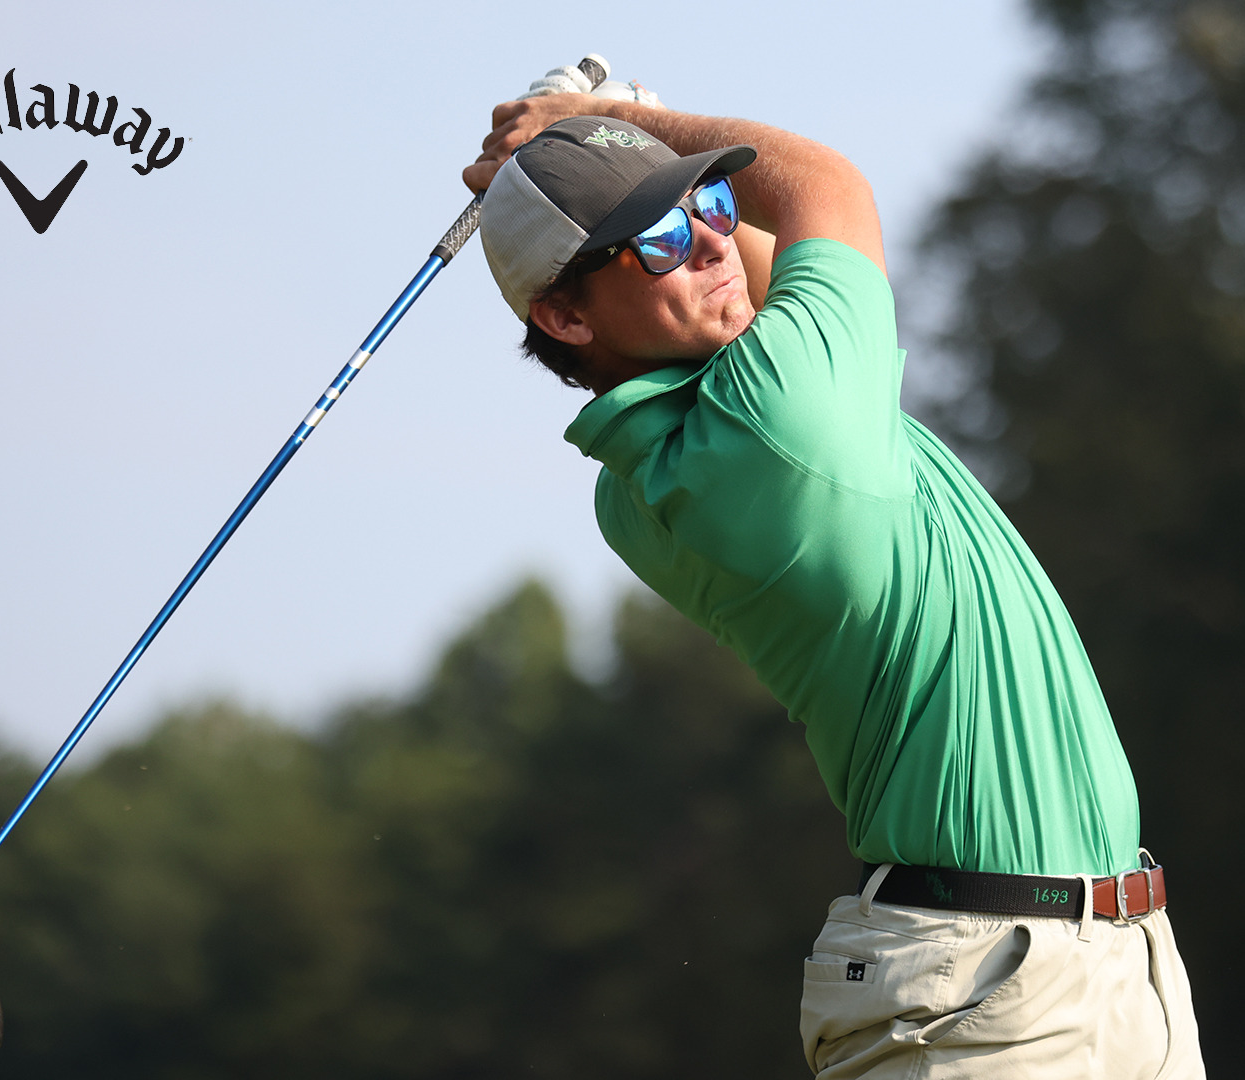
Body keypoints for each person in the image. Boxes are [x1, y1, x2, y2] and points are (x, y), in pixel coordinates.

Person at [462, 92, 1205, 1079]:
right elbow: (824, 191)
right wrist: (613, 113)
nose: (712, 244)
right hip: (990, 991)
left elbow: (757, 258)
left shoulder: (667, 464)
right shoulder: (775, 423)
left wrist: (609, 150)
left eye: (710, 208)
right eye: (656, 240)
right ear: (561, 314)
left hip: (1104, 967)